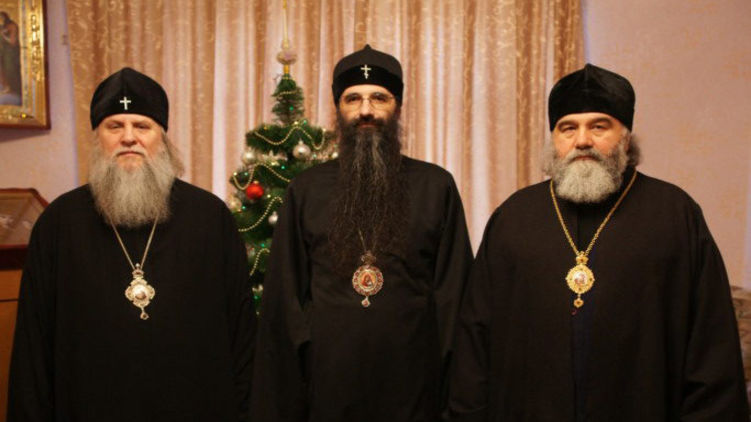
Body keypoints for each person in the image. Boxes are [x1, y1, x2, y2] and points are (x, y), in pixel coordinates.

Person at [448, 63, 749, 421]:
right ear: (554, 139)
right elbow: (475, 336)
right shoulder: (514, 216)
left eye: (599, 126)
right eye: (568, 128)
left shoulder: (674, 214)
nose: (582, 141)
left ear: (626, 137)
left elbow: (710, 342)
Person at [8, 67, 256, 421]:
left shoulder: (210, 217)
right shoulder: (59, 223)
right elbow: (33, 347)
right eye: (115, 126)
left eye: (142, 126)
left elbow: (242, 335)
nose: (129, 138)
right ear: (98, 137)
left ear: (162, 138)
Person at [251, 45, 473, 421]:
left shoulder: (436, 187)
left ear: (397, 107)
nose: (366, 110)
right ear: (338, 108)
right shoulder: (306, 190)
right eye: (353, 98)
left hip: (414, 387)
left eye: (379, 98)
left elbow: (455, 300)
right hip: (328, 385)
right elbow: (285, 303)